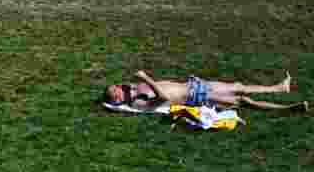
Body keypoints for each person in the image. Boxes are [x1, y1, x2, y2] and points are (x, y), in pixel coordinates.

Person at [105, 70, 307, 111]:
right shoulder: (137, 103)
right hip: (196, 97)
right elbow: (164, 97)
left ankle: (279, 87)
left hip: (194, 85)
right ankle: (289, 108)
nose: (119, 87)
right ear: (118, 99)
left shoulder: (133, 87)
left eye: (117, 86)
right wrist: (146, 78)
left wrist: (139, 82)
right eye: (116, 91)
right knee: (245, 101)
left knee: (238, 86)